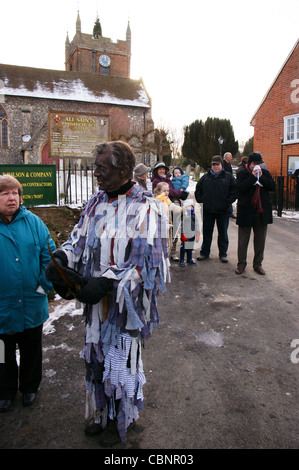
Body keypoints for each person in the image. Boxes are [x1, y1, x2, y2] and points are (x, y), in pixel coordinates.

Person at [45, 141, 169, 447]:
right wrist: (63, 258)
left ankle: (121, 418)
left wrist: (107, 283)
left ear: (124, 170)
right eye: (95, 167)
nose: (96, 173)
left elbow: (146, 264)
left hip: (125, 310)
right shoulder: (95, 203)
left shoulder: (146, 208)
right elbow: (77, 240)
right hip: (95, 307)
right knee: (96, 359)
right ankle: (101, 412)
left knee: (122, 363)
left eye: (103, 168)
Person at [0, 175, 55, 412]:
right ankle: (5, 390)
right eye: (4, 194)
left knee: (32, 348)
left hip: (32, 303)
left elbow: (50, 257)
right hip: (3, 307)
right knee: (2, 353)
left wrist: (43, 288)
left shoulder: (34, 223)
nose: (11, 198)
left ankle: (30, 387)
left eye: (15, 193)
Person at [235, 152, 276, 275]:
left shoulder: (265, 173)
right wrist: (253, 177)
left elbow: (272, 186)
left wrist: (261, 177)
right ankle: (241, 264)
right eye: (254, 164)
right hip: (246, 211)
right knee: (243, 241)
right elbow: (240, 188)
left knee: (260, 241)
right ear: (249, 164)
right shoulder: (242, 174)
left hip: (261, 212)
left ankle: (258, 264)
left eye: (259, 163)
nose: (257, 166)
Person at [195, 155, 237, 263]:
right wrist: (201, 201)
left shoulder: (228, 177)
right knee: (207, 232)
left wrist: (227, 202)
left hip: (223, 211)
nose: (215, 166)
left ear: (221, 165)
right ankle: (204, 252)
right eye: (213, 164)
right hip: (208, 211)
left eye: (217, 164)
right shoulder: (205, 177)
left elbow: (234, 191)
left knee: (223, 233)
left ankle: (223, 254)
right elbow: (198, 189)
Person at [151, 162, 187, 262]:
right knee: (161, 236)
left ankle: (172, 252)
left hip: (170, 209)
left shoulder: (168, 180)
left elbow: (170, 195)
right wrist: (179, 192)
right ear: (156, 171)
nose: (162, 171)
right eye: (160, 169)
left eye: (163, 169)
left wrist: (182, 209)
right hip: (162, 217)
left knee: (173, 231)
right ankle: (160, 255)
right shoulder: (156, 181)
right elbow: (170, 192)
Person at [154, 182, 182, 254]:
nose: (166, 192)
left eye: (168, 190)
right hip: (159, 228)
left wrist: (183, 210)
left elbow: (173, 207)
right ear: (158, 191)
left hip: (166, 228)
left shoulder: (166, 199)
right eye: (164, 191)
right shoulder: (156, 201)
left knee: (166, 246)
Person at [179, 199, 200, 267]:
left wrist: (197, 232)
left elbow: (196, 224)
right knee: (183, 248)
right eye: (188, 207)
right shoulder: (184, 217)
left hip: (192, 235)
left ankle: (189, 259)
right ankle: (181, 260)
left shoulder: (194, 216)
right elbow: (181, 225)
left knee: (190, 248)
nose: (190, 208)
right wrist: (182, 233)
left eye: (192, 207)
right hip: (185, 235)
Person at [223, 152, 236, 219]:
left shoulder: (229, 164)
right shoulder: (224, 164)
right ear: (227, 157)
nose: (231, 158)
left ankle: (230, 212)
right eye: (230, 156)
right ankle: (229, 212)